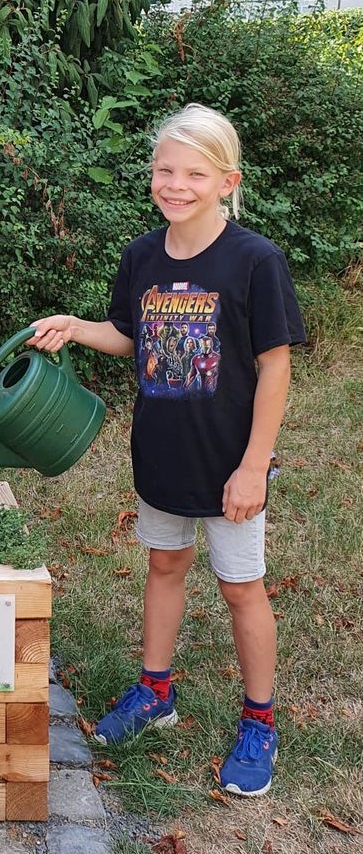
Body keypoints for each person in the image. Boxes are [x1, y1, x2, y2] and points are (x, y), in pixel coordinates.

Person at [28, 104, 305, 798]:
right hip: (162, 454)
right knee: (164, 564)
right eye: (165, 170)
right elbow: (130, 335)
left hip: (230, 464)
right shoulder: (142, 256)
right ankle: (156, 691)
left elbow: (275, 366)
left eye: (194, 174)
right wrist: (76, 326)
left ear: (227, 181)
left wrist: (253, 466)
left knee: (241, 587)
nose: (176, 185)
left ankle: (260, 721)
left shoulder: (255, 261)